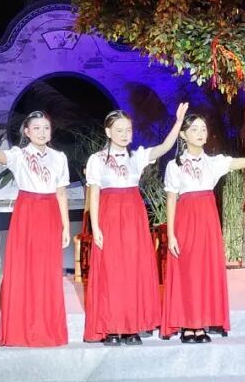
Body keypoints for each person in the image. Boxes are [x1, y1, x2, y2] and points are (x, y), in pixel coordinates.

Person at [161, 114, 245, 343]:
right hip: (185, 222)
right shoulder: (174, 165)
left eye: (203, 128)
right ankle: (187, 324)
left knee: (204, 271)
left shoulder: (214, 162)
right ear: (183, 135)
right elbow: (171, 199)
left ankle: (200, 324)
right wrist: (171, 234)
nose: (200, 133)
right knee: (187, 272)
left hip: (207, 221)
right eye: (194, 129)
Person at [82, 103, 188, 346]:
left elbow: (165, 147)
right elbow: (94, 194)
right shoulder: (97, 160)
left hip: (133, 217)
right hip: (109, 216)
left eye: (128, 130)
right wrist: (95, 227)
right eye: (119, 130)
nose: (124, 134)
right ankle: (111, 327)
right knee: (111, 271)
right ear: (108, 132)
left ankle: (132, 327)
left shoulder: (136, 157)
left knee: (132, 269)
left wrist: (178, 122)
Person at [0, 110, 69, 347]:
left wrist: (66, 226)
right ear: (27, 132)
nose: (42, 132)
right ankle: (21, 329)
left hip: (50, 213)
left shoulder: (59, 157)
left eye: (46, 128)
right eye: (36, 128)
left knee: (47, 272)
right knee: (24, 269)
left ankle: (47, 328)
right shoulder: (19, 155)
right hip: (27, 211)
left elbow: (61, 193)